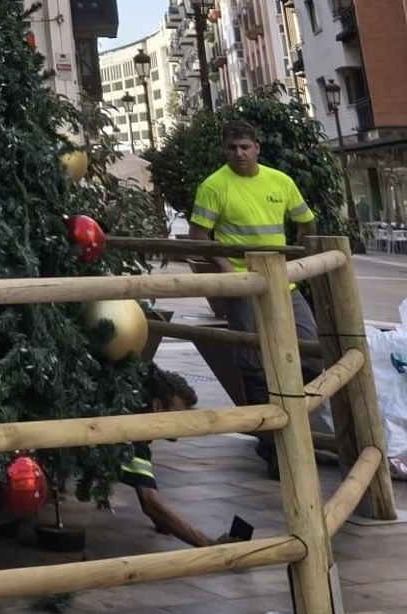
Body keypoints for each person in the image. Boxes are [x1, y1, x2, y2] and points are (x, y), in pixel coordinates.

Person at [187, 117, 323, 465]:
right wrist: (226, 273)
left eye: (245, 147)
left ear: (257, 148)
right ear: (224, 150)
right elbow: (199, 236)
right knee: (252, 363)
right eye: (232, 148)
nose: (239, 153)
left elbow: (305, 221)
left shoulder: (281, 181)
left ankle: (301, 423)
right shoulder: (215, 185)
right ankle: (269, 442)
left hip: (284, 283)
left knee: (312, 350)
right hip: (243, 286)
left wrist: (299, 253)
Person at [120, 366, 234, 547]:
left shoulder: (135, 423)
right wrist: (208, 544)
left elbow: (148, 498)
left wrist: (164, 521)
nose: (183, 424)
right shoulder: (132, 438)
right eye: (178, 415)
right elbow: (150, 503)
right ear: (157, 406)